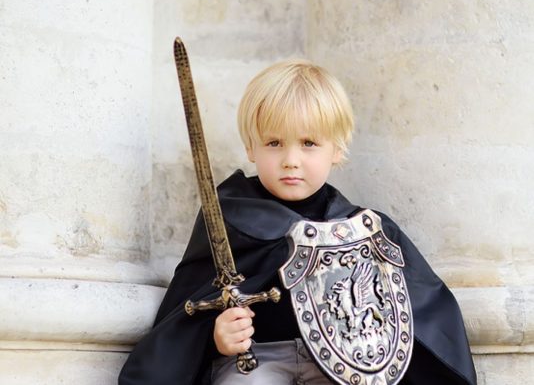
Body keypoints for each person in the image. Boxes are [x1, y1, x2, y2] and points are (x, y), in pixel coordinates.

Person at [118, 60, 477, 385]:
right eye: (274, 143)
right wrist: (215, 337)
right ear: (251, 148)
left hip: (343, 366)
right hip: (256, 362)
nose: (291, 160)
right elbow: (186, 311)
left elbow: (425, 317)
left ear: (336, 150)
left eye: (308, 143)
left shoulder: (364, 229)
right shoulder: (228, 222)